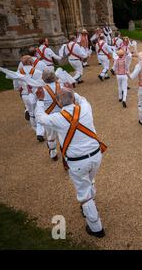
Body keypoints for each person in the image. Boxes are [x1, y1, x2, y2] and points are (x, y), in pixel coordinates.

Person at [35, 87, 107, 238]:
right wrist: (73, 91)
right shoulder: (86, 108)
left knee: (83, 194)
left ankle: (96, 228)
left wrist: (41, 100)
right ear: (73, 98)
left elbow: (40, 117)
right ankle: (91, 202)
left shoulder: (56, 118)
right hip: (96, 156)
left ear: (59, 103)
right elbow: (82, 99)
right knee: (90, 179)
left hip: (77, 162)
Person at [14, 55, 44, 141]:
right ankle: (40, 132)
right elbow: (41, 84)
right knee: (39, 111)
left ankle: (35, 129)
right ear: (31, 62)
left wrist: (21, 88)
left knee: (31, 113)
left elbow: (16, 86)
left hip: (25, 95)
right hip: (35, 94)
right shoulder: (37, 72)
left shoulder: (18, 73)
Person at [39, 69, 64, 160]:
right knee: (64, 133)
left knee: (51, 136)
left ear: (43, 78)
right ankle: (65, 151)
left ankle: (53, 154)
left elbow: (38, 101)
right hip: (62, 115)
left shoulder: (41, 89)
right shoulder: (61, 86)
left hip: (49, 116)